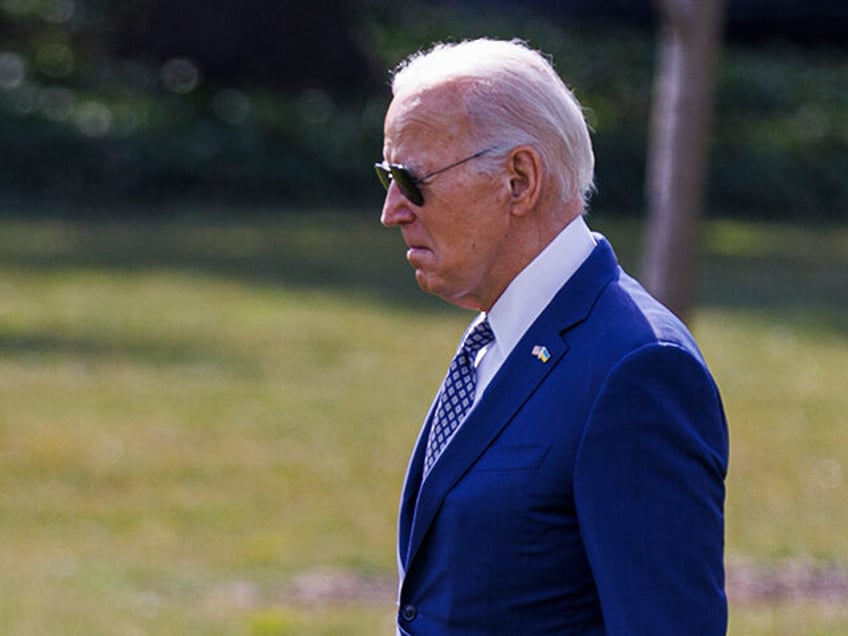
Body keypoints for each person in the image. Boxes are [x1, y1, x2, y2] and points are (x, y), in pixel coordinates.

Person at [374, 38, 728, 635]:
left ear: (519, 179)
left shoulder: (637, 370)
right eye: (387, 176)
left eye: (412, 181)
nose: (392, 210)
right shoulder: (502, 332)